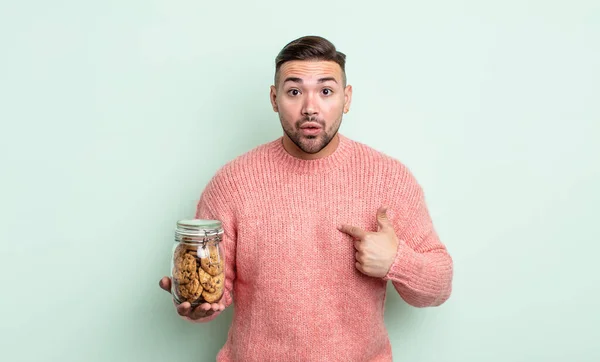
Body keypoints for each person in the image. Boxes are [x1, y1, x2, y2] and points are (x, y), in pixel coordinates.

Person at [159, 35, 453, 361]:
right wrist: (199, 306)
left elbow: (439, 286)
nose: (310, 108)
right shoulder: (232, 182)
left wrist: (396, 261)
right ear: (274, 98)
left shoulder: (389, 179)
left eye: (326, 91)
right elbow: (214, 290)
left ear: (347, 98)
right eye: (294, 91)